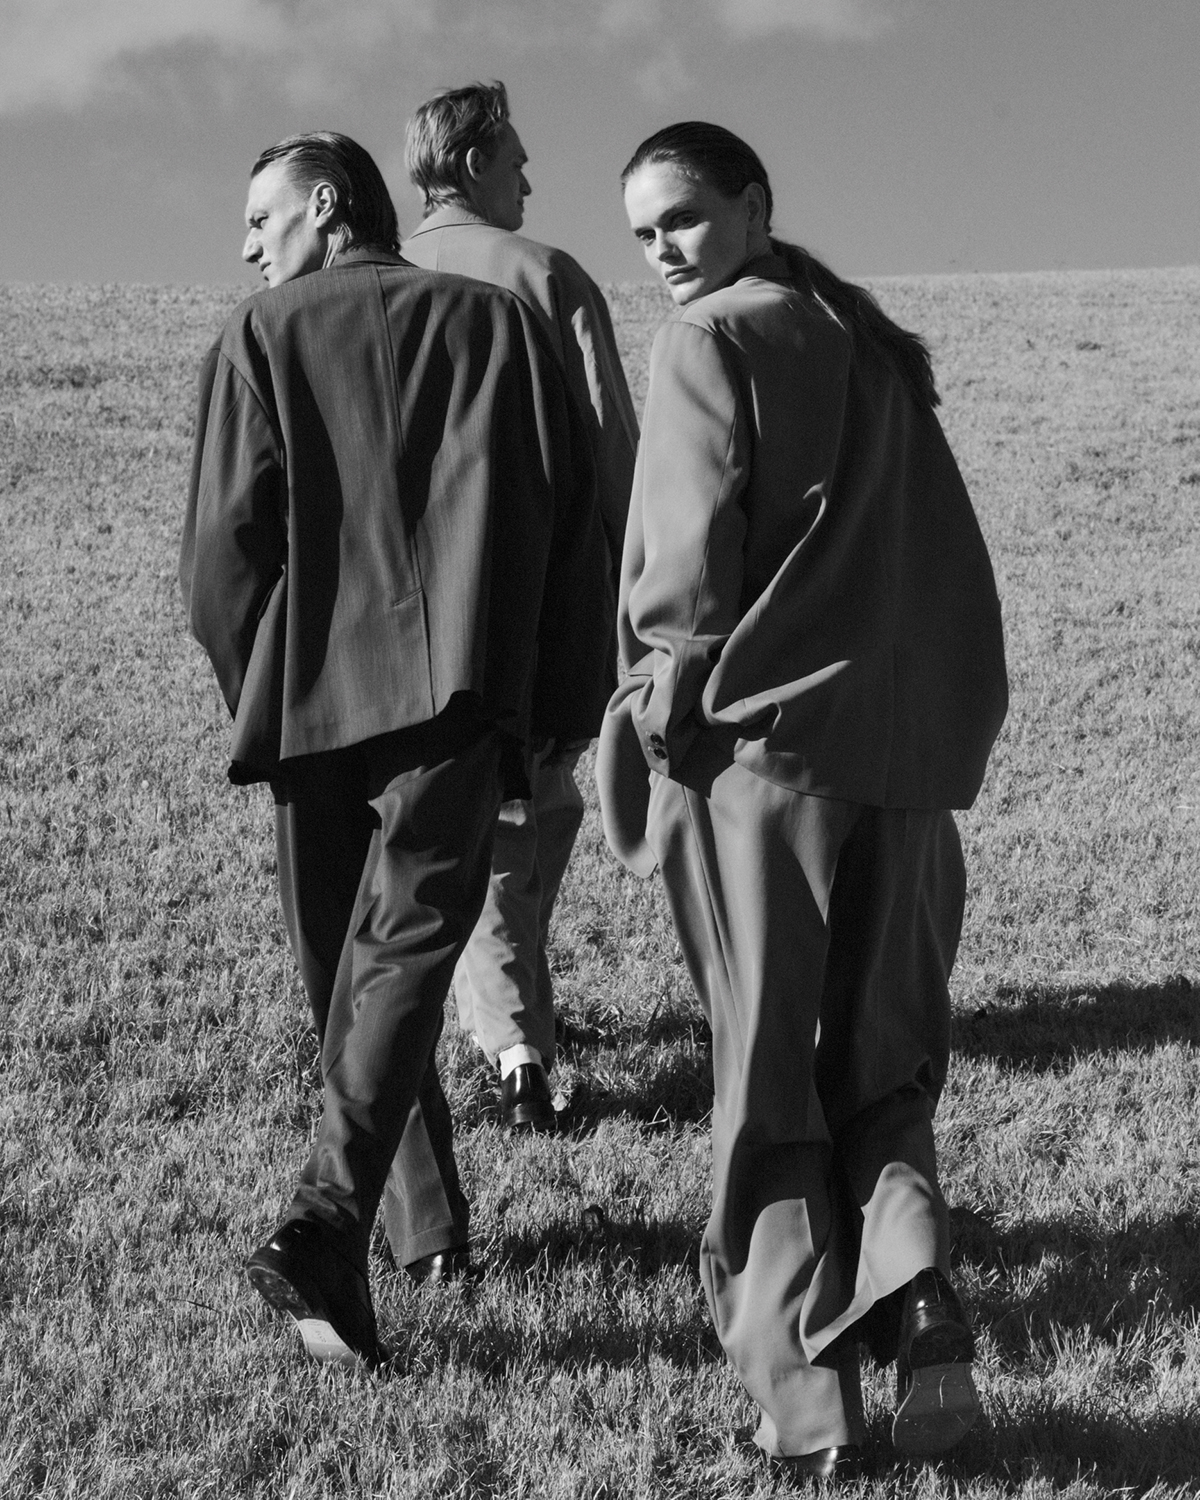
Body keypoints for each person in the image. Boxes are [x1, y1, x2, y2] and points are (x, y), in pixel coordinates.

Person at [597, 123, 1008, 1477]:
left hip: (766, 768)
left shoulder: (708, 339)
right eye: (643, 230)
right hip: (904, 772)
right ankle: (920, 1295)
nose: (662, 249)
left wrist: (651, 722)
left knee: (769, 1091)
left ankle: (806, 1409)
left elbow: (683, 585)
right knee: (883, 1076)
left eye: (682, 217)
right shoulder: (873, 348)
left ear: (755, 206)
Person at [181, 131, 612, 1364]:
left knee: (350, 977)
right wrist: (559, 709)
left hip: (310, 709)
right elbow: (569, 524)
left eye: (262, 218)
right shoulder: (499, 325)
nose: (248, 246)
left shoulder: (257, 338)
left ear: (329, 205)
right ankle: (388, 1231)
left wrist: (261, 689)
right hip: (462, 701)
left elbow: (220, 562)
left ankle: (373, 1229)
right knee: (403, 962)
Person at [402, 81, 638, 1132]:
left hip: (405, 617)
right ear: (471, 164)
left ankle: (500, 1014)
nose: (530, 181)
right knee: (526, 814)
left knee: (461, 820)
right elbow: (614, 450)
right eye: (516, 161)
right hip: (542, 603)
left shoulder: (373, 279)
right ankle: (517, 1050)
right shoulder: (545, 276)